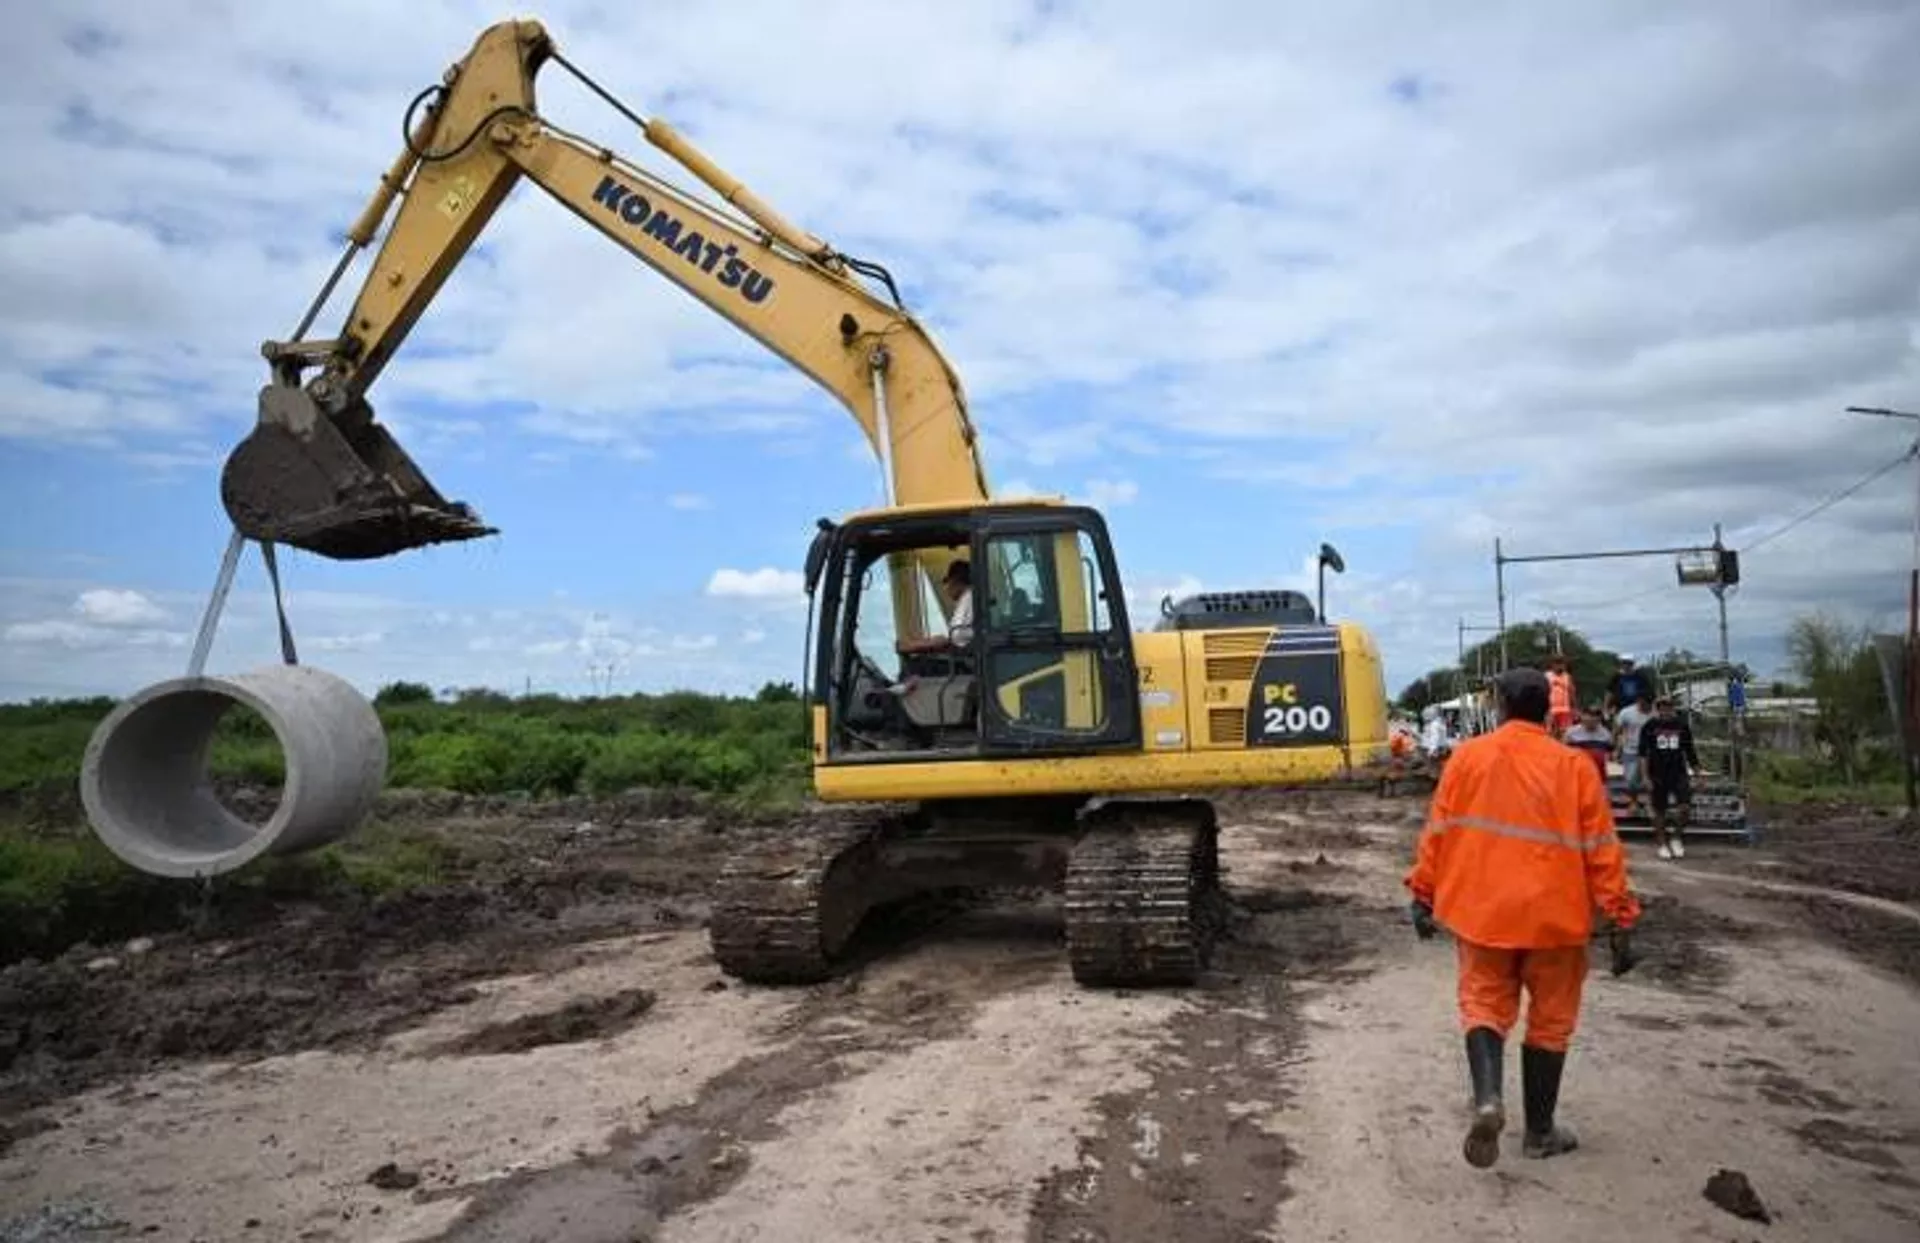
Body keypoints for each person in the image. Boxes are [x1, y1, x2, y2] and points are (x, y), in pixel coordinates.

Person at [1405, 668, 1641, 1169]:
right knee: (1551, 1022)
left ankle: (1489, 1099)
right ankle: (1539, 1133)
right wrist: (1621, 915)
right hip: (1556, 918)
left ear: (1501, 707)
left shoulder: (1467, 758)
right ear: (1547, 711)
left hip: (1483, 913)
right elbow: (1602, 849)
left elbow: (1438, 832)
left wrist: (1423, 893)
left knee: (1483, 1005)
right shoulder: (1574, 767)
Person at [1639, 695, 1701, 860]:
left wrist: (1698, 774)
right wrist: (1645, 776)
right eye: (1662, 707)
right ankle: (1662, 843)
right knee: (1660, 810)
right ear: (1658, 709)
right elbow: (1643, 754)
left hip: (1678, 771)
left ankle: (1676, 837)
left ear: (1672, 708)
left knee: (1685, 807)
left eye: (1668, 706)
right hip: (1657, 772)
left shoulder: (1682, 725)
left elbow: (1690, 751)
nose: (1665, 710)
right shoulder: (1650, 726)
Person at [896, 559, 974, 655]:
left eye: (946, 581)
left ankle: (909, 646)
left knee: (936, 644)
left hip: (963, 656)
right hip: (962, 651)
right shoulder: (968, 598)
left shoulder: (969, 599)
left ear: (955, 581)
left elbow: (957, 638)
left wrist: (918, 645)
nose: (946, 587)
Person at [1614, 692, 1654, 819]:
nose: (1646, 706)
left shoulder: (1655, 713)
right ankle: (1634, 801)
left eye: (1648, 704)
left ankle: (1649, 802)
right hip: (1631, 750)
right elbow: (1617, 730)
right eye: (1643, 703)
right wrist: (1616, 749)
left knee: (1651, 778)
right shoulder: (1626, 712)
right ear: (1638, 700)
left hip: (1651, 751)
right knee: (1631, 780)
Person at [1563, 705, 1613, 784]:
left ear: (1599, 718)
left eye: (1595, 716)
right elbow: (1563, 753)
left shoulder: (1606, 734)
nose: (1591, 719)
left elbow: (1609, 752)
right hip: (1577, 774)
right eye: (1589, 715)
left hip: (1598, 774)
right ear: (1582, 716)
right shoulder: (1572, 733)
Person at [1604, 657, 1654, 721]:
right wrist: (1606, 709)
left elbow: (1649, 694)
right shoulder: (1617, 677)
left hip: (1639, 708)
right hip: (1621, 708)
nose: (1626, 665)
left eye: (1629, 663)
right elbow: (1609, 694)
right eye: (1624, 663)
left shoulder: (1640, 676)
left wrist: (1651, 708)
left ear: (1632, 664)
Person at [1545, 656, 1576, 737]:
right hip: (1550, 709)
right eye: (1557, 663)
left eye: (1561, 664)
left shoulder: (1567, 677)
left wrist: (1574, 708)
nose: (1559, 666)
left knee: (1565, 732)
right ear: (1552, 664)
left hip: (1565, 709)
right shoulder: (1547, 676)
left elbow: (1572, 692)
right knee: (1550, 732)